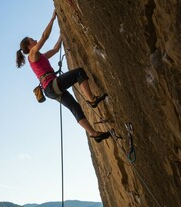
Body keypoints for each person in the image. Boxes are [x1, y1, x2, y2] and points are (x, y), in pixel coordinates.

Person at [16, 10, 111, 143]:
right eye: (32, 40)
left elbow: (55, 50)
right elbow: (44, 36)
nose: (35, 40)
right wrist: (52, 19)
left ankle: (94, 134)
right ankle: (91, 99)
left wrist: (61, 35)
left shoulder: (39, 56)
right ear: (28, 46)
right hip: (50, 85)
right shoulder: (32, 54)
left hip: (51, 90)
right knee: (78, 72)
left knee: (74, 107)